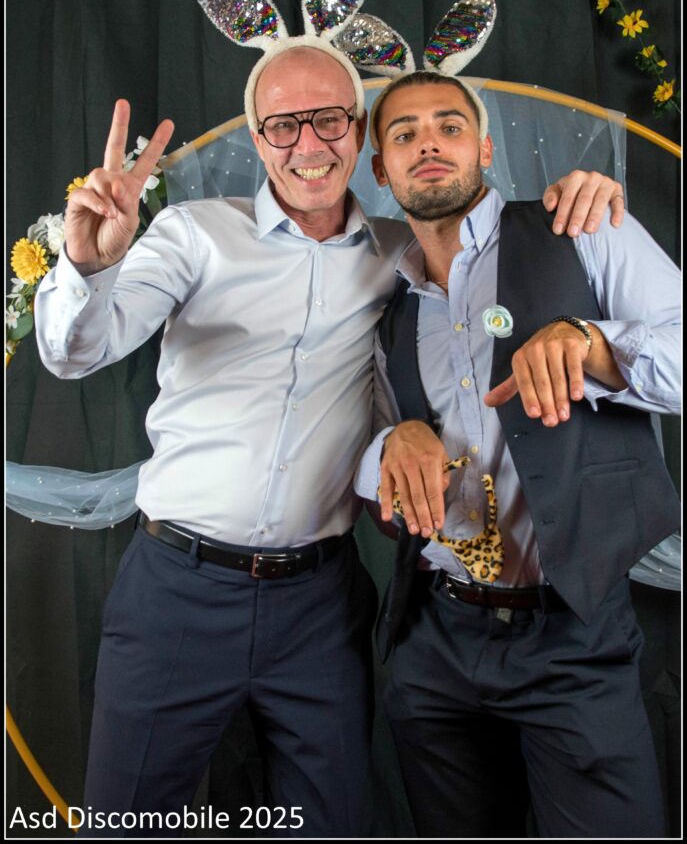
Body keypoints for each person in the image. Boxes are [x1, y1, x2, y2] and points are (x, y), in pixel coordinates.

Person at [35, 43, 627, 838]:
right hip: (176, 590)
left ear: (358, 133)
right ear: (257, 137)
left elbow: (466, 295)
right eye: (283, 125)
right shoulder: (194, 234)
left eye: (327, 120)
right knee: (127, 820)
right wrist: (87, 264)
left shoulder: (400, 255)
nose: (306, 144)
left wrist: (579, 195)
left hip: (319, 604)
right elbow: (75, 352)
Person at [354, 69, 681, 838]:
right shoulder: (385, 303)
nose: (427, 143)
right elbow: (365, 460)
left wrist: (593, 345)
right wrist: (390, 443)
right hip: (434, 638)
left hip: (573, 633)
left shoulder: (583, 226)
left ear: (484, 149)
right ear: (380, 171)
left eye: (448, 126)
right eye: (403, 133)